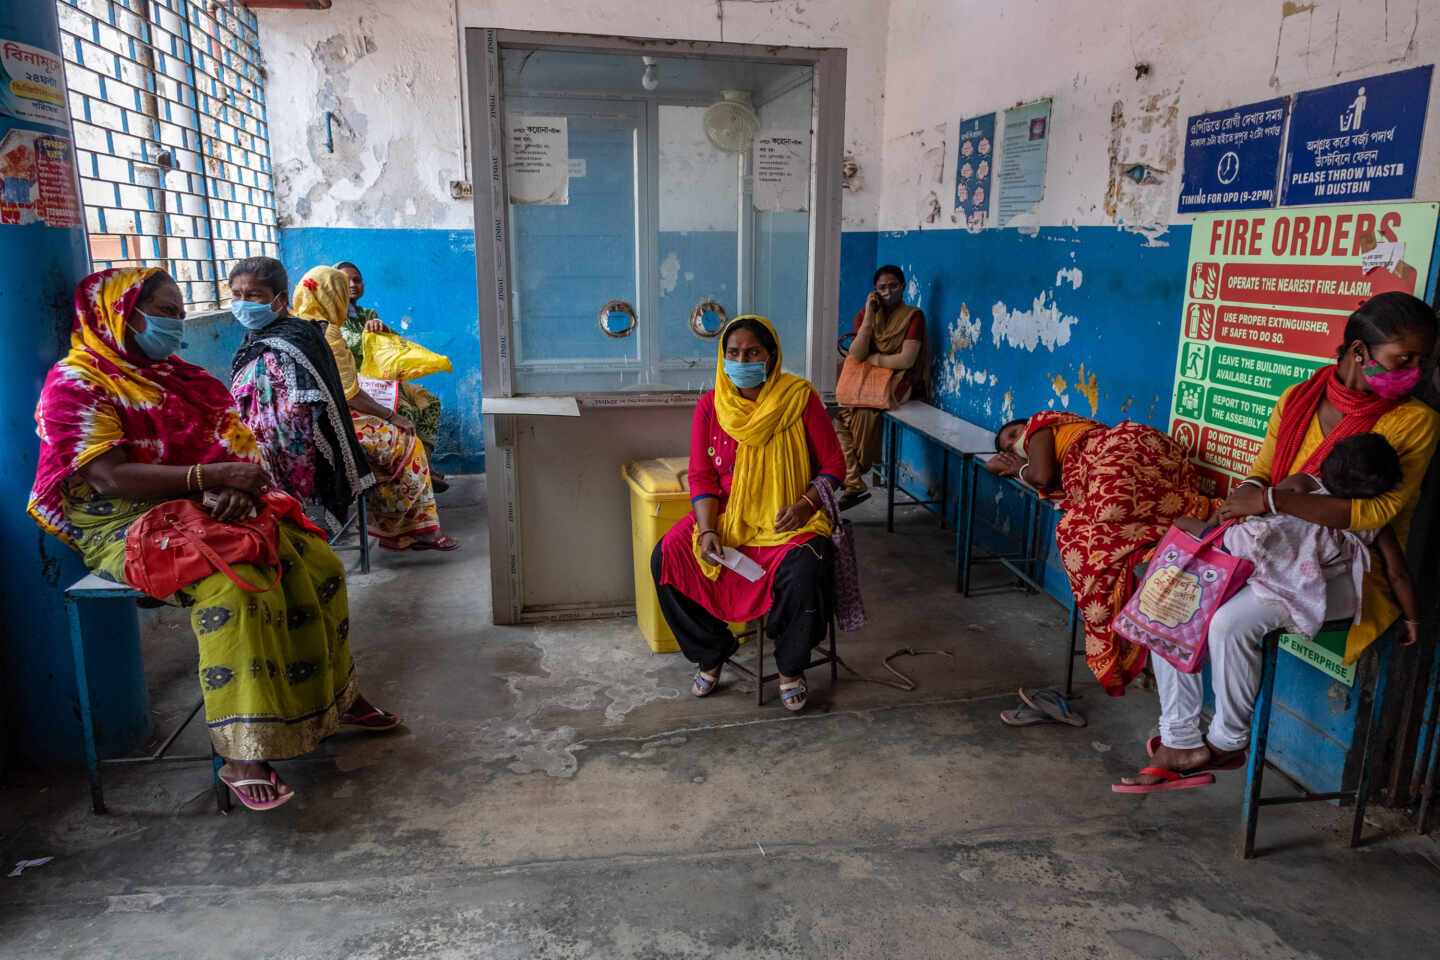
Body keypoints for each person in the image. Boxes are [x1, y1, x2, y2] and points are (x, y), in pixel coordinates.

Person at [27, 267, 402, 812]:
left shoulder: (182, 377)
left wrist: (238, 489)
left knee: (312, 556)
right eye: (163, 310)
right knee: (240, 581)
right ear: (118, 314)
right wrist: (212, 481)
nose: (176, 323)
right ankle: (242, 752)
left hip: (203, 499)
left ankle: (334, 696)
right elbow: (108, 477)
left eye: (180, 312)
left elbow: (236, 441)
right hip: (122, 520)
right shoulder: (77, 383)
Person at [1120, 292, 1439, 792]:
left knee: (1228, 622)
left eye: (1424, 361)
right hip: (1278, 550)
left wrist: (1271, 502)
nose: (1415, 372)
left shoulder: (1415, 421)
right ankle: (1179, 736)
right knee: (1176, 593)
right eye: (1404, 360)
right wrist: (1250, 499)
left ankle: (1227, 742)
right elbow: (1261, 474)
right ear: (1359, 352)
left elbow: (1375, 512)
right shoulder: (1300, 400)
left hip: (1350, 567)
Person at [651, 316, 845, 712]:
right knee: (665, 557)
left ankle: (790, 667)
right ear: (723, 358)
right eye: (734, 353)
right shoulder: (710, 407)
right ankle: (712, 649)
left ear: (770, 356)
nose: (743, 359)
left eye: (752, 352)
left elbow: (834, 466)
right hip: (727, 518)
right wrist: (706, 531)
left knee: (807, 569)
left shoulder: (799, 397)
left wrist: (805, 505)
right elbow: (702, 477)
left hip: (789, 519)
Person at [988, 411, 1218, 695]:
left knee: (1086, 527)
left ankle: (1194, 518)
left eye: (1013, 435)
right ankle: (1174, 526)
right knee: (1104, 521)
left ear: (1027, 424)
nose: (1012, 445)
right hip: (1137, 449)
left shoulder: (1040, 426)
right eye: (1006, 448)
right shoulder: (1061, 437)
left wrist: (1018, 469)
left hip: (1117, 450)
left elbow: (1043, 476)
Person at [295, 265, 460, 552]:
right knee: (408, 441)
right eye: (342, 287)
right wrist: (391, 417)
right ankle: (412, 528)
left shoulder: (298, 325)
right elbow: (350, 394)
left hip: (310, 422)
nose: (350, 291)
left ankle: (408, 520)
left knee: (421, 405)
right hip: (335, 423)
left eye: (356, 282)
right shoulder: (330, 333)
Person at [228, 256, 375, 536]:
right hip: (256, 446)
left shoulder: (299, 336)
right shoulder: (256, 337)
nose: (243, 303)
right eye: (236, 295)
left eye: (254, 295)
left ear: (280, 298)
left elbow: (302, 412)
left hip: (295, 452)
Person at [335, 261, 448, 493]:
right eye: (346, 280)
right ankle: (415, 474)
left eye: (357, 279)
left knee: (429, 402)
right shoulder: (332, 320)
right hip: (357, 386)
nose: (353, 284)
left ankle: (424, 466)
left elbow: (393, 347)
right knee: (406, 410)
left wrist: (384, 329)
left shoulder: (368, 314)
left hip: (381, 380)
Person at [833, 265, 930, 509]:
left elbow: (906, 360)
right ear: (874, 291)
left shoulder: (913, 316)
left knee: (865, 412)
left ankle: (852, 478)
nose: (888, 292)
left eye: (893, 286)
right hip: (867, 382)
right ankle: (854, 481)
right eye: (882, 288)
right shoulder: (865, 314)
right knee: (840, 421)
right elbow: (856, 354)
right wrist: (868, 317)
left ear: (903, 287)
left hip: (899, 381)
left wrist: (874, 360)